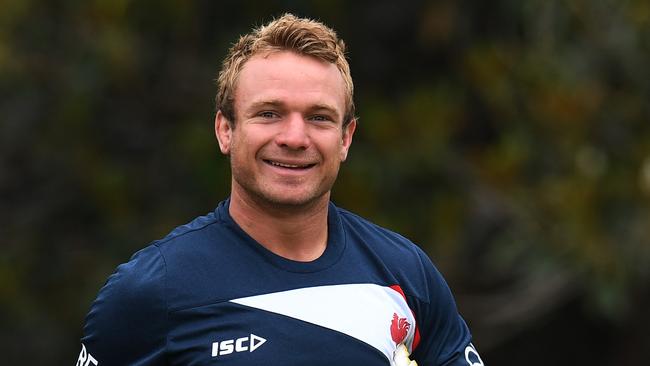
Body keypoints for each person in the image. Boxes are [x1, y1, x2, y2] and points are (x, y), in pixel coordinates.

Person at [76, 13, 484, 366]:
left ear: (346, 138)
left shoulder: (405, 274)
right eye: (269, 113)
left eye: (319, 117)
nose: (294, 137)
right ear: (225, 130)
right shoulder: (151, 291)